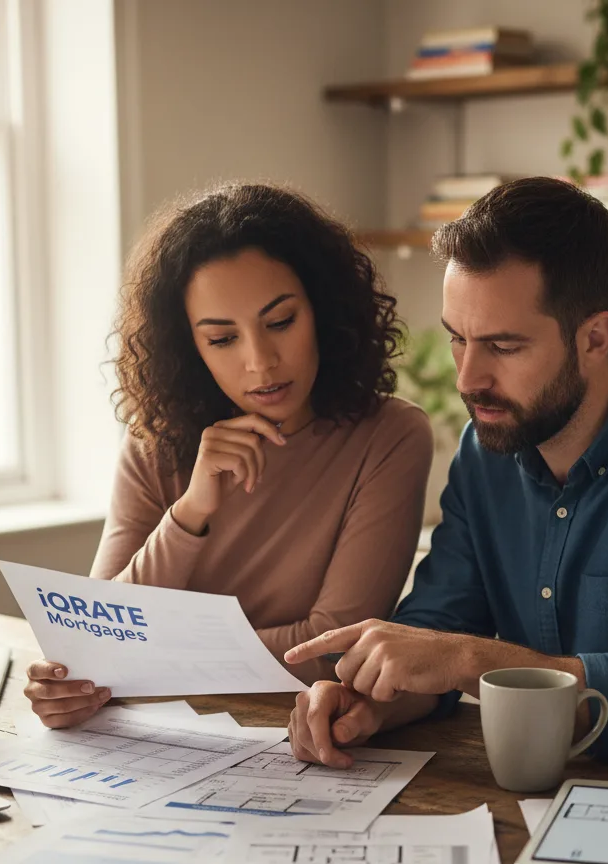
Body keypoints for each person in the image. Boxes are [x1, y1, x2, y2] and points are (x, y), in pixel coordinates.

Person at [285, 176, 608, 768]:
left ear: (595, 337)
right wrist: (370, 702)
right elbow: (434, 632)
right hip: (545, 789)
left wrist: (466, 659)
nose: (468, 379)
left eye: (504, 347)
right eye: (458, 338)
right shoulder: (485, 452)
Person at [25, 183, 433, 729]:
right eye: (222, 339)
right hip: (152, 739)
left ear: (324, 309)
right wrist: (190, 513)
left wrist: (137, 658)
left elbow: (332, 646)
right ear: (189, 347)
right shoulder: (154, 443)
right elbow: (99, 636)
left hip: (298, 737)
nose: (260, 362)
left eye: (281, 322)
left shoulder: (390, 436)